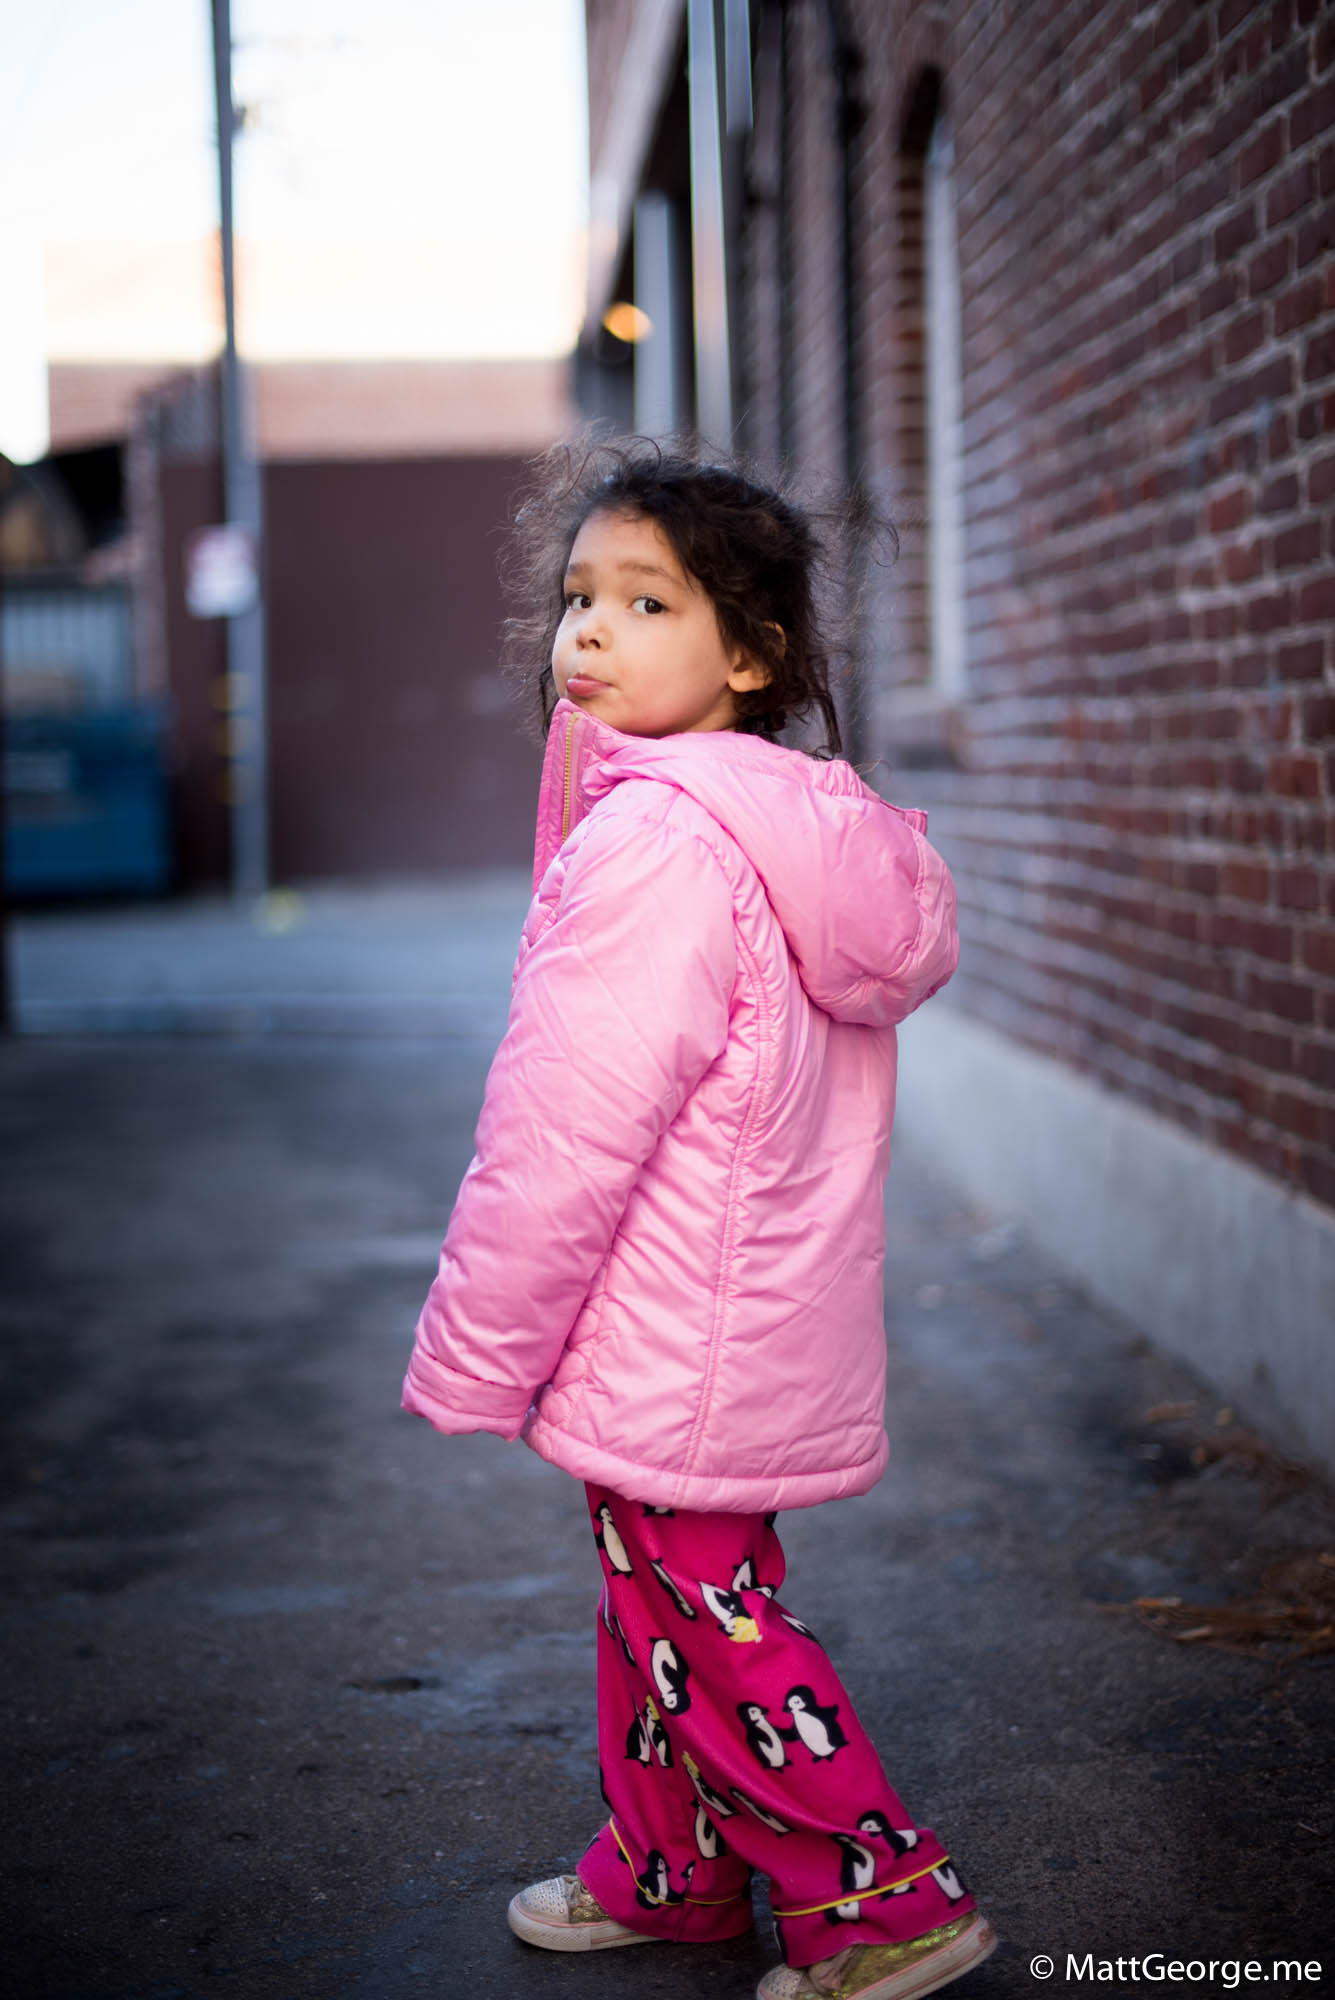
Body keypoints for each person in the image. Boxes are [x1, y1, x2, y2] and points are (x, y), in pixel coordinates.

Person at [401, 439, 996, 2000]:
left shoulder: (657, 840)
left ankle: (884, 1901)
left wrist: (479, 1349)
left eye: (646, 602)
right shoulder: (781, 826)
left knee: (711, 1618)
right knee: (663, 1601)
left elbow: (562, 1134)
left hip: (674, 1327)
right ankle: (672, 1872)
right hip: (738, 1319)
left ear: (751, 653)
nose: (589, 632)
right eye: (577, 598)